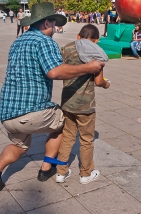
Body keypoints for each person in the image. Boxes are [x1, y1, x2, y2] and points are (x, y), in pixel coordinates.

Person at [0, 3, 104, 191]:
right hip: (31, 111)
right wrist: (88, 68)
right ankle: (47, 168)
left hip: (7, 113)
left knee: (20, 144)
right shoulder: (44, 41)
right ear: (46, 22)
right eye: (54, 25)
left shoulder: (18, 41)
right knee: (66, 121)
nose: (55, 29)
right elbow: (55, 72)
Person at [55, 24, 110, 184]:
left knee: (67, 136)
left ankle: (60, 172)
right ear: (96, 40)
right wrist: (106, 84)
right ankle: (86, 174)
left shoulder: (67, 48)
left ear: (78, 36)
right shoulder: (95, 52)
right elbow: (99, 81)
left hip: (67, 101)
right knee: (86, 139)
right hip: (86, 105)